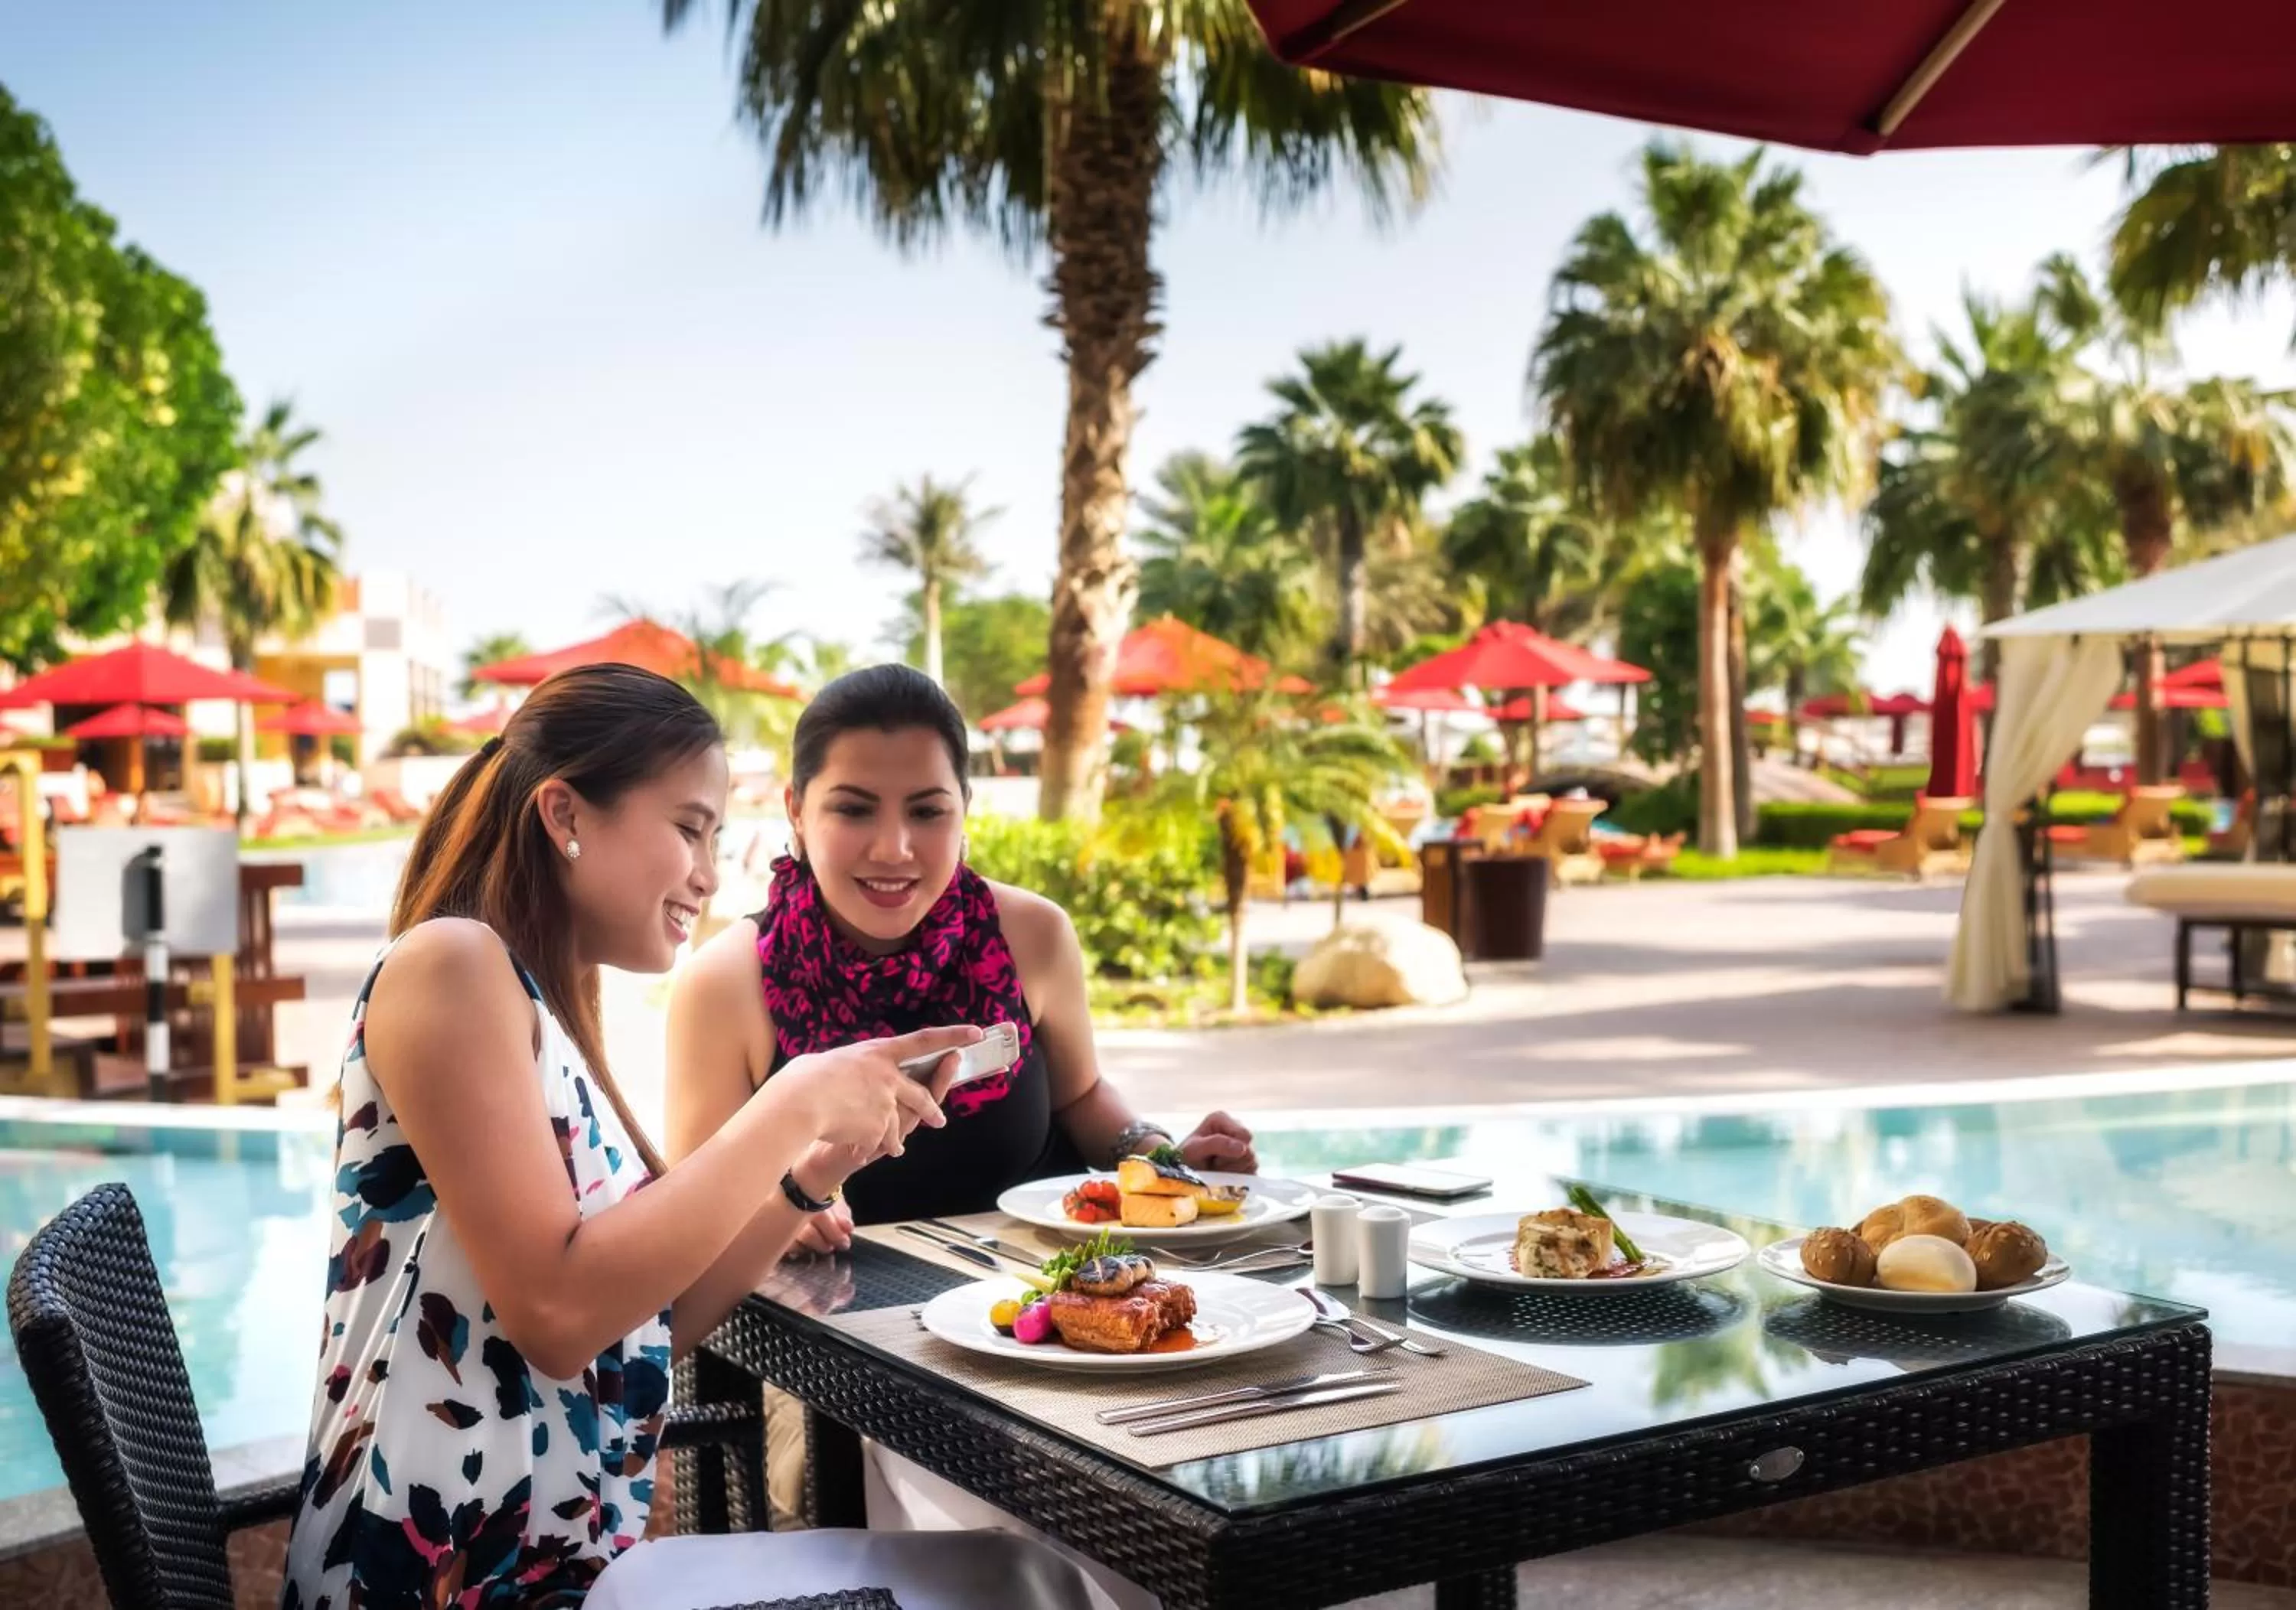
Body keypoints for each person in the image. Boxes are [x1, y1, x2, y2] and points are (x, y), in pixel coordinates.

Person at [278, 663, 1092, 1610]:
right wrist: (791, 1101)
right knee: (1022, 1587)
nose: (710, 874)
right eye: (690, 829)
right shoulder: (452, 965)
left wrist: (804, 1179)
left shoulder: (534, 1003)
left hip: (557, 1565)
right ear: (565, 814)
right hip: (441, 1579)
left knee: (1028, 1576)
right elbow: (557, 1316)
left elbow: (653, 1317)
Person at [670, 662, 1257, 1256]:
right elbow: (688, 1217)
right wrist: (779, 1210)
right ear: (796, 810)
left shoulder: (1035, 934)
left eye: (927, 812)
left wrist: (1163, 1159)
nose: (893, 848)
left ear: (964, 808)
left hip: (1046, 1314)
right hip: (816, 1332)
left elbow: (1079, 1098)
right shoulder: (726, 983)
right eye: (854, 809)